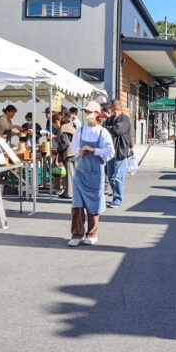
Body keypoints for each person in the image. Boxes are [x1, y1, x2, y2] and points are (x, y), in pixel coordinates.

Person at [68, 100, 114, 246]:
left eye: (90, 112)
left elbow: (110, 152)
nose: (87, 114)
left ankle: (92, 234)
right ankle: (76, 234)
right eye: (86, 112)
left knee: (94, 205)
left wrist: (94, 150)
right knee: (77, 205)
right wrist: (79, 151)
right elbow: (73, 147)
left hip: (96, 175)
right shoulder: (80, 130)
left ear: (97, 114)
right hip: (80, 173)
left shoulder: (102, 132)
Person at [104, 99, 132, 208]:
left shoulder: (125, 119)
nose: (109, 109)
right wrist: (109, 130)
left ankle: (117, 199)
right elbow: (104, 129)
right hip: (110, 152)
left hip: (120, 151)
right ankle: (116, 195)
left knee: (118, 178)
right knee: (111, 177)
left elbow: (116, 131)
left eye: (110, 107)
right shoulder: (110, 119)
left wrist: (109, 130)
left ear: (115, 107)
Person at [57, 113, 77, 199]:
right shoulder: (70, 127)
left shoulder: (63, 128)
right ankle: (69, 192)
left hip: (69, 153)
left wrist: (59, 149)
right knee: (73, 174)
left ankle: (69, 193)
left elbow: (65, 143)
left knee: (69, 174)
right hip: (75, 151)